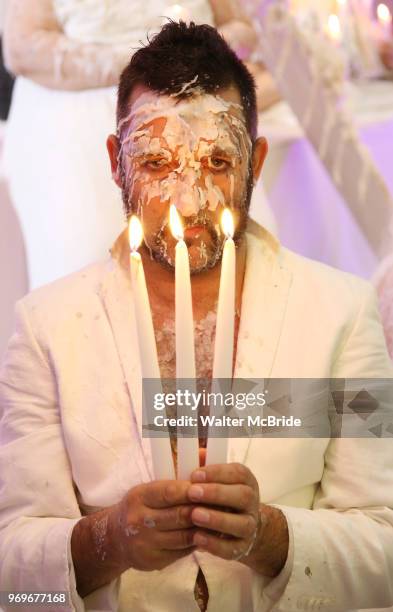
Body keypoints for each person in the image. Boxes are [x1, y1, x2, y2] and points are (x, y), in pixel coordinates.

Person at [1, 21, 393, 612]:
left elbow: (385, 551)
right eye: (157, 162)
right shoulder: (45, 329)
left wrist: (274, 538)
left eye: (216, 161)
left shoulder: (343, 312)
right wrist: (107, 541)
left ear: (255, 161)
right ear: (116, 163)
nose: (191, 200)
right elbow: (13, 580)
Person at [2, 0, 279, 290]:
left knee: (241, 262)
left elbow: (243, 26)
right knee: (90, 268)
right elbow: (22, 46)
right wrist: (142, 63)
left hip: (193, 101)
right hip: (83, 113)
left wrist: (190, 55)